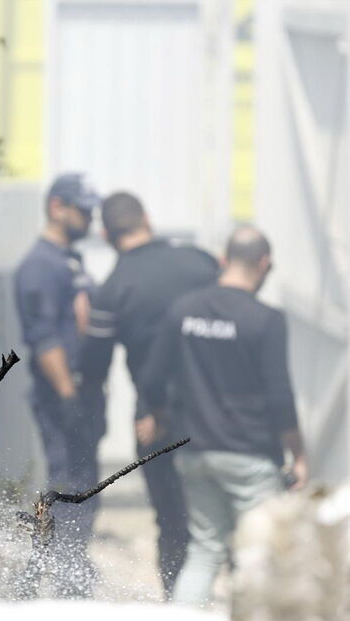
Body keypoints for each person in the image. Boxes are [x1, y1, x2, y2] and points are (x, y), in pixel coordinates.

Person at [140, 225, 309, 606]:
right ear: (264, 263)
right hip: (251, 457)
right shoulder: (265, 319)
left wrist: (160, 417)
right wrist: (298, 455)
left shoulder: (183, 310)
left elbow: (151, 377)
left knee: (204, 550)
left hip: (195, 452)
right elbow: (280, 395)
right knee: (259, 555)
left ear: (223, 259)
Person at [79, 191, 218, 598]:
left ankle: (178, 601)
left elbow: (93, 368)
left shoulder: (113, 289)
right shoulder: (201, 262)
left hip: (155, 419)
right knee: (221, 514)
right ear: (147, 220)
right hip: (218, 410)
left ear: (107, 236)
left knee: (172, 520)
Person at [14, 172, 104, 598]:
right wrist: (68, 396)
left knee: (86, 487)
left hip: (81, 394)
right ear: (57, 207)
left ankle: (74, 571)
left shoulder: (69, 258)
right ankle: (68, 584)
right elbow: (43, 337)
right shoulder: (40, 265)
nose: (89, 218)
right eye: (83, 210)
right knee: (69, 489)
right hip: (60, 397)